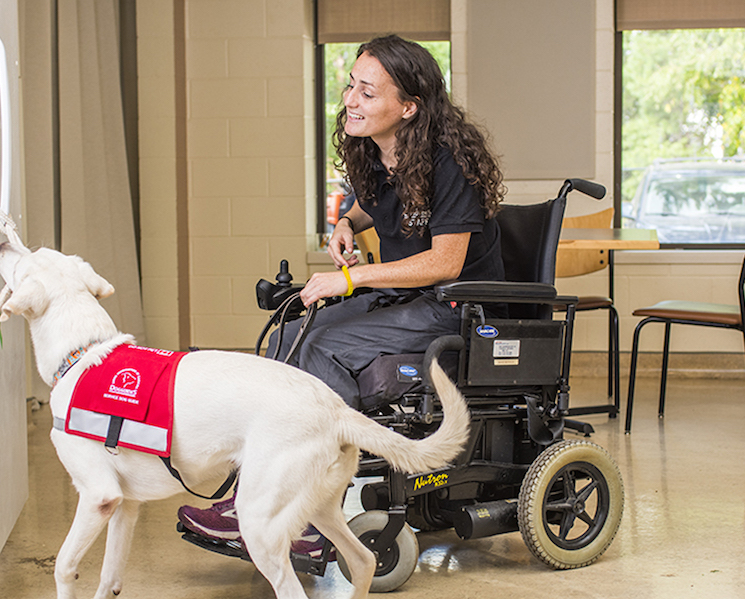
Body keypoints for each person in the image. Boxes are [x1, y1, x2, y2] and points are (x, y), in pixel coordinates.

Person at [179, 35, 506, 549]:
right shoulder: (379, 154)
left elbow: (446, 262)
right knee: (289, 334)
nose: (351, 100)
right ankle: (257, 493)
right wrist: (346, 223)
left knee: (325, 346)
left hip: (457, 308)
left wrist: (351, 278)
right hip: (408, 301)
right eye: (352, 85)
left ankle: (303, 512)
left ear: (408, 107)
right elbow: (373, 205)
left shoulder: (449, 165)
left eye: (368, 93)